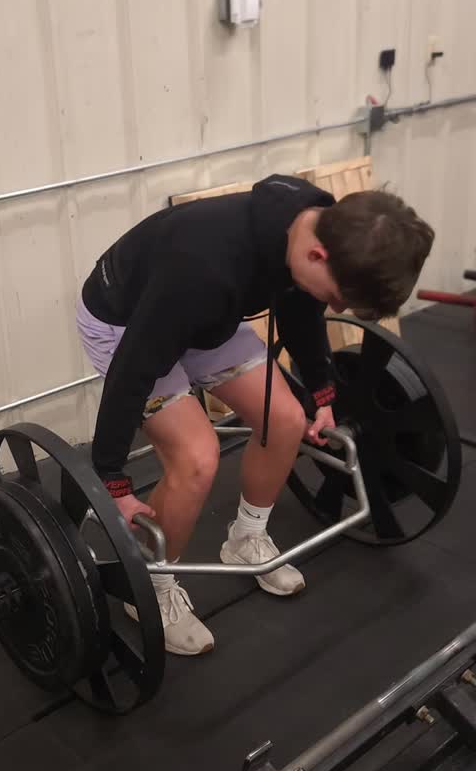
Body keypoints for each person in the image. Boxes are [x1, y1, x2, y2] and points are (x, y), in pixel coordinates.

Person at [76, 175, 434, 656]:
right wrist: (112, 479)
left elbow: (300, 307)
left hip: (209, 318)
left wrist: (322, 392)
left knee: (286, 420)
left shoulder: (318, 223)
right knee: (197, 458)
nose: (338, 306)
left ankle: (245, 539)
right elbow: (133, 369)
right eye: (338, 297)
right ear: (317, 255)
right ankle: (150, 587)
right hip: (126, 322)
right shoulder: (202, 268)